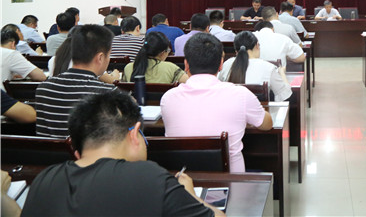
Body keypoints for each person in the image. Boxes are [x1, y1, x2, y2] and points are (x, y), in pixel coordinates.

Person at [21, 91, 221, 217]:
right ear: (134, 134)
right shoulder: (148, 177)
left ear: (77, 151)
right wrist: (189, 195)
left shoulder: (44, 180)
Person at [161, 33, 273, 173]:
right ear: (221, 64)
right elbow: (267, 124)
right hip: (231, 182)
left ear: (186, 64)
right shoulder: (240, 95)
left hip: (182, 181)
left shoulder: (168, 98)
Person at [35, 25, 118, 138]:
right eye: (109, 55)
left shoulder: (43, 89)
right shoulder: (109, 93)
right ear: (100, 57)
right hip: (89, 150)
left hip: (50, 150)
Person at [218, 31, 292, 102]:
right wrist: (282, 73)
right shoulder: (268, 68)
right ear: (257, 45)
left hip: (230, 109)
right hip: (259, 110)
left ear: (236, 50)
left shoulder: (227, 64)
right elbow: (285, 94)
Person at [123, 31, 188, 83]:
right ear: (162, 53)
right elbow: (190, 83)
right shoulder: (170, 68)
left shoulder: (128, 68)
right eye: (168, 50)